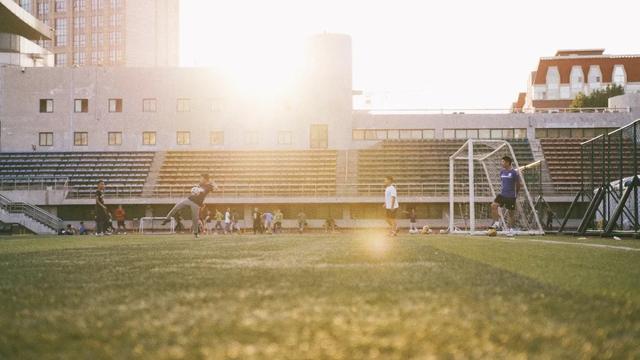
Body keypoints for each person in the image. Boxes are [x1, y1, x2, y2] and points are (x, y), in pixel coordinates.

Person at [162, 174, 217, 238]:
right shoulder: (200, 184)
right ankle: (167, 218)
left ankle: (196, 233)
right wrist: (195, 189)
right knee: (177, 206)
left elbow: (214, 189)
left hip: (196, 204)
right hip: (189, 199)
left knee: (195, 219)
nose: (200, 179)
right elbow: (195, 191)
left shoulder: (209, 186)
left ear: (205, 179)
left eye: (201, 178)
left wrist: (213, 184)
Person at [490, 156, 520, 234]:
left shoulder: (514, 172)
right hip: (502, 194)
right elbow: (503, 182)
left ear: (507, 162)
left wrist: (515, 194)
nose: (501, 163)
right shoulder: (502, 172)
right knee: (493, 205)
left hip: (511, 196)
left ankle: (511, 230)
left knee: (511, 214)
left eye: (503, 162)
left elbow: (518, 184)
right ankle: (496, 223)